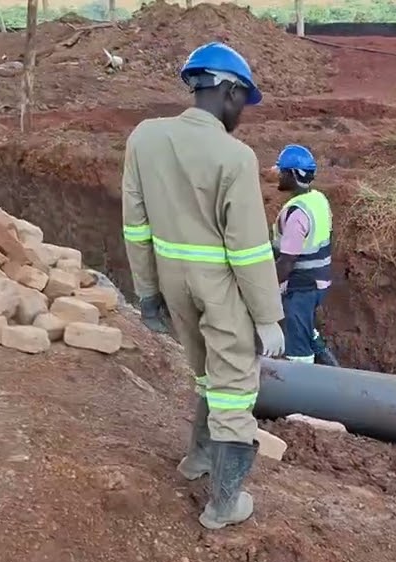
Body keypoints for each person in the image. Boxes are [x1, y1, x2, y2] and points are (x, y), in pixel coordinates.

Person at [120, 42, 285, 530]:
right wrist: (268, 318)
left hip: (172, 279)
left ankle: (198, 460)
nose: (242, 113)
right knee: (234, 387)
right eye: (243, 101)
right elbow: (250, 249)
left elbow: (136, 225)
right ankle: (223, 505)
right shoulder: (234, 157)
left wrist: (147, 292)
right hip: (220, 286)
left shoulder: (144, 138)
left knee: (208, 376)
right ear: (229, 90)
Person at [270, 143, 339, 366]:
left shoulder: (297, 213)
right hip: (319, 283)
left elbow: (287, 262)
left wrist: (264, 289)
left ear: (292, 174)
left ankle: (303, 395)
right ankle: (333, 369)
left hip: (302, 287)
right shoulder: (318, 200)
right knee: (306, 328)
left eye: (282, 172)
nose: (279, 176)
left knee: (298, 351)